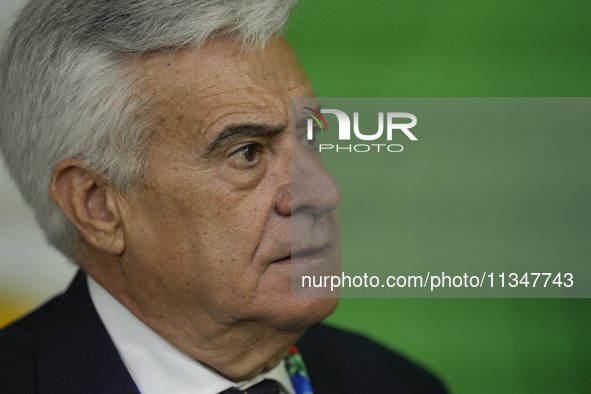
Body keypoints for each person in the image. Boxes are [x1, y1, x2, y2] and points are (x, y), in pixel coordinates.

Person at [0, 1, 447, 393]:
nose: (325, 192)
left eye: (310, 136)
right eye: (248, 153)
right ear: (96, 206)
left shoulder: (395, 382)